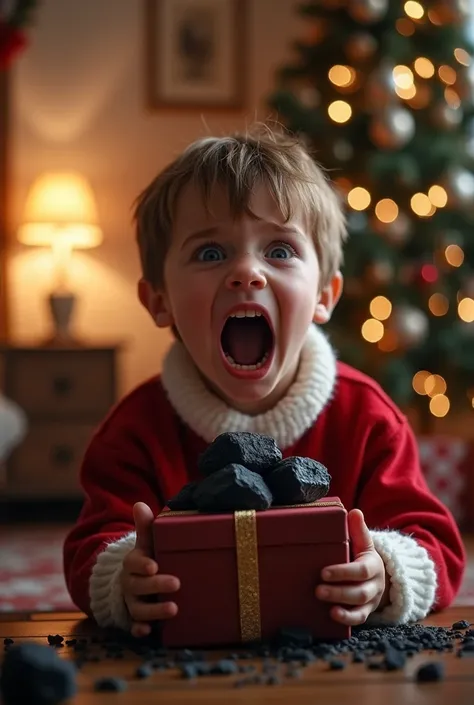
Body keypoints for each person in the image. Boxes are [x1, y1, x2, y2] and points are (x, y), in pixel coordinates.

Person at [63, 125, 466, 640]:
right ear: (158, 300)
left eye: (279, 251)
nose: (247, 273)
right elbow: (89, 547)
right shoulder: (135, 430)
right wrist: (122, 579)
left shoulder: (367, 419)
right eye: (211, 254)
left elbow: (436, 544)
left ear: (325, 294)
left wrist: (386, 573)